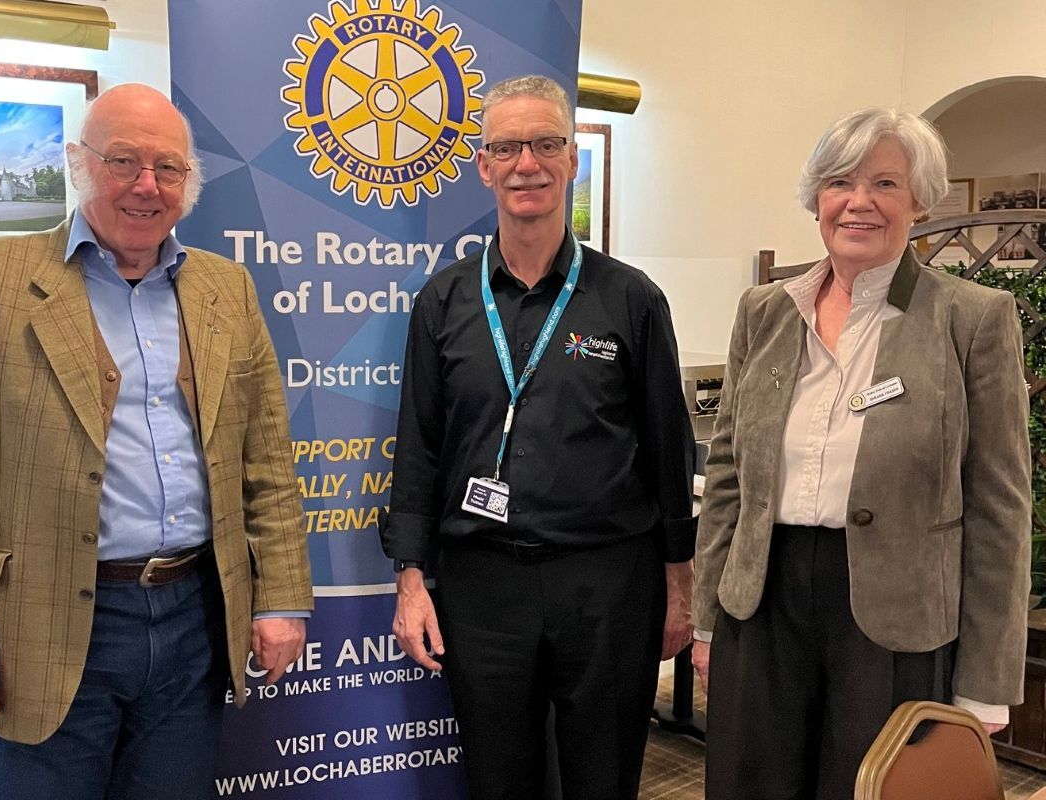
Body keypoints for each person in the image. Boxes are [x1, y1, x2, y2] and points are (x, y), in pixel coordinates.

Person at [0, 83, 313, 800]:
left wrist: (281, 600)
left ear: (189, 183)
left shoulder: (227, 287)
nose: (146, 186)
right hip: (41, 626)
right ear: (81, 164)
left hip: (194, 619)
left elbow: (267, 462)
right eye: (124, 161)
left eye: (168, 168)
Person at [691, 108, 1031, 800]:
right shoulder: (765, 310)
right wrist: (706, 618)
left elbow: (1000, 508)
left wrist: (988, 683)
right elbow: (728, 474)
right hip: (763, 602)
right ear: (818, 197)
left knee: (871, 790)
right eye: (840, 181)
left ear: (920, 200)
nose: (860, 202)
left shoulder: (972, 317)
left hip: (896, 619)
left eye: (885, 183)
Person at [380, 74, 696, 800]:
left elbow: (669, 455)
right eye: (509, 147)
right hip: (482, 584)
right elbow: (419, 449)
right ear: (484, 164)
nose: (529, 163)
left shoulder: (631, 299)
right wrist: (410, 584)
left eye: (548, 144)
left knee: (603, 776)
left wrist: (680, 592)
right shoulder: (444, 302)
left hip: (608, 582)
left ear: (572, 159)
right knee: (498, 780)